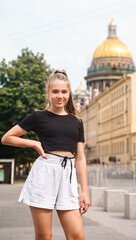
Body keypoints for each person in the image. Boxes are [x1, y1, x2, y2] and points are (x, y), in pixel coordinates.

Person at [1, 69, 90, 240]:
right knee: (44, 236)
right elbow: (7, 138)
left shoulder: (76, 121)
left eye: (64, 91)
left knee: (77, 235)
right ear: (47, 92)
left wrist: (84, 191)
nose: (60, 96)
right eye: (55, 91)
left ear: (69, 93)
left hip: (68, 176)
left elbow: (80, 158)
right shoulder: (38, 117)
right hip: (45, 172)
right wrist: (33, 143)